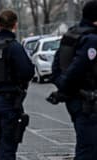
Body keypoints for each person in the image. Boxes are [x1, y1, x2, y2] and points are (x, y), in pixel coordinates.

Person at [0, 10, 34, 160]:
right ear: (15, 25)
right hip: (9, 101)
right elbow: (28, 72)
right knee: (8, 145)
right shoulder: (14, 47)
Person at [48, 1, 97, 159]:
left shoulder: (72, 33)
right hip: (87, 103)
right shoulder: (91, 39)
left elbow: (56, 66)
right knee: (89, 150)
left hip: (77, 101)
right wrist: (66, 87)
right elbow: (77, 68)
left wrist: (63, 88)